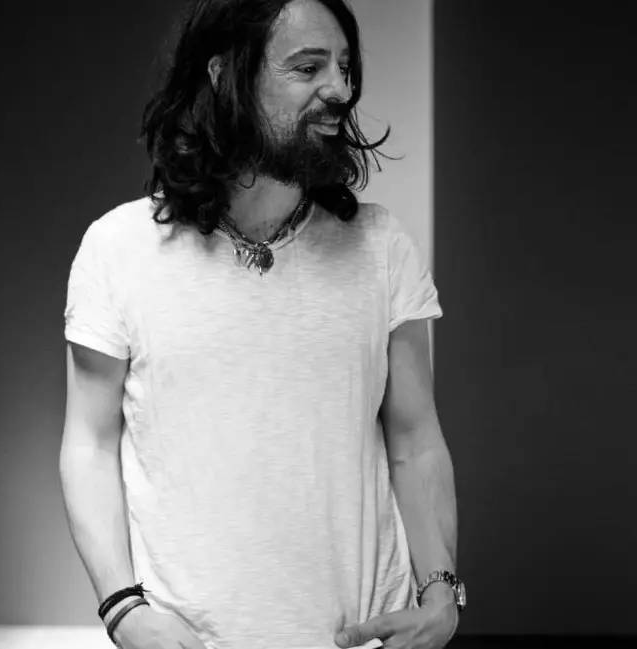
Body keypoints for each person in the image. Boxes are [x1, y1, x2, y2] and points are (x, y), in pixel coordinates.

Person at [59, 1, 462, 647]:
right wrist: (123, 610)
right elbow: (89, 445)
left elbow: (415, 441)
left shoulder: (382, 246)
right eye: (307, 67)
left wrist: (442, 593)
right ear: (225, 75)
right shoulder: (118, 249)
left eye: (345, 67)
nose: (340, 90)